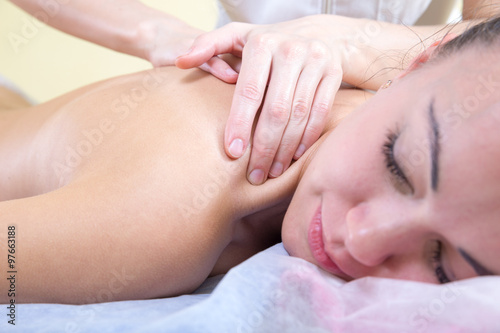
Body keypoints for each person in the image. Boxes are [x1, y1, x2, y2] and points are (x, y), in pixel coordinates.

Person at [1, 16, 499, 304]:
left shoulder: (434, 102)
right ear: (419, 63)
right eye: (398, 165)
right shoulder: (164, 213)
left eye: (443, 264)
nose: (364, 240)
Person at [9, 0, 498, 186]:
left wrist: (351, 41)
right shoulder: (181, 180)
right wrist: (155, 33)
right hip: (217, 91)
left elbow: (487, 38)